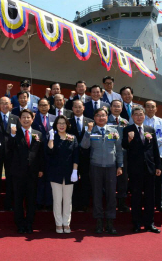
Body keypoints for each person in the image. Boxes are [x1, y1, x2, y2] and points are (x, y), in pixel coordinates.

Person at [81, 107, 123, 235]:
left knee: (111, 195)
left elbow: (119, 150)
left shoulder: (114, 131)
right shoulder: (90, 131)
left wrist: (120, 166)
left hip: (111, 167)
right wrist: (88, 131)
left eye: (103, 115)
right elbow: (84, 146)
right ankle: (99, 223)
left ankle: (110, 223)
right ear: (94, 118)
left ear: (107, 117)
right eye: (98, 115)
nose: (101, 118)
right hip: (96, 166)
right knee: (97, 195)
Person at [122, 106, 162, 234]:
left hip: (150, 168)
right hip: (135, 170)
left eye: (141, 114)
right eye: (136, 114)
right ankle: (137, 223)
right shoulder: (128, 129)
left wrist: (158, 166)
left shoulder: (150, 130)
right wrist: (129, 139)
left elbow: (155, 149)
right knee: (136, 197)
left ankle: (150, 224)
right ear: (132, 117)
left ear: (144, 116)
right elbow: (124, 146)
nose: (139, 117)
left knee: (150, 197)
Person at [7, 109, 44, 234]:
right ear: (19, 119)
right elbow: (9, 151)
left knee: (31, 199)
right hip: (18, 172)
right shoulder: (14, 133)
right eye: (23, 117)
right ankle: (20, 224)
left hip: (33, 172)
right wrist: (12, 136)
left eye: (28, 117)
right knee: (18, 199)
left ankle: (29, 223)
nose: (26, 119)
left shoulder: (38, 134)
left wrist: (40, 169)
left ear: (32, 119)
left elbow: (41, 154)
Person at [47, 115, 79, 233]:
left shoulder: (72, 138)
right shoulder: (52, 137)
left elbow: (76, 156)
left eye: (63, 123)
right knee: (57, 200)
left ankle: (66, 223)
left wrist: (75, 171)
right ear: (56, 125)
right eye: (59, 123)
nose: (61, 125)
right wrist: (51, 138)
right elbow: (50, 152)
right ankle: (58, 224)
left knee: (67, 200)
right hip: (55, 174)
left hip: (70, 174)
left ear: (67, 125)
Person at [0, 96, 20, 211]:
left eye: (7, 103)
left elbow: (19, 136)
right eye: (2, 103)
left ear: (11, 105)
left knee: (10, 179)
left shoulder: (16, 119)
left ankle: (9, 204)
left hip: (11, 153)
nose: (4, 105)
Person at [68, 99, 94, 211]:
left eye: (80, 107)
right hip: (71, 156)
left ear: (83, 108)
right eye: (75, 107)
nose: (78, 109)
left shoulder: (90, 122)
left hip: (86, 156)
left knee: (85, 180)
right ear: (72, 109)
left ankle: (84, 204)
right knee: (72, 180)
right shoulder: (68, 122)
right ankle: (73, 204)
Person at [144, 100, 162, 213]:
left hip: (159, 155)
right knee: (145, 180)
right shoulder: (140, 120)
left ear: (156, 109)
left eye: (152, 107)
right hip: (144, 156)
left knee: (158, 180)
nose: (150, 109)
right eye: (148, 107)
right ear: (144, 108)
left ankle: (159, 203)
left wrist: (152, 143)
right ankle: (146, 203)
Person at [32, 98, 55, 210]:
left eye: (45, 105)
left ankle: (50, 203)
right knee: (39, 179)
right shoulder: (33, 118)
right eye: (41, 105)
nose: (43, 107)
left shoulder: (55, 118)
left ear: (49, 106)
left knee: (50, 178)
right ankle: (39, 202)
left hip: (51, 153)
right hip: (38, 152)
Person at [108, 99, 130, 212]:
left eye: (119, 106)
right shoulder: (105, 120)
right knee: (109, 179)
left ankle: (122, 202)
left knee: (123, 179)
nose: (117, 108)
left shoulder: (125, 122)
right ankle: (110, 203)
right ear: (110, 108)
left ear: (122, 108)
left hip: (123, 154)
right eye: (114, 106)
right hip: (109, 153)